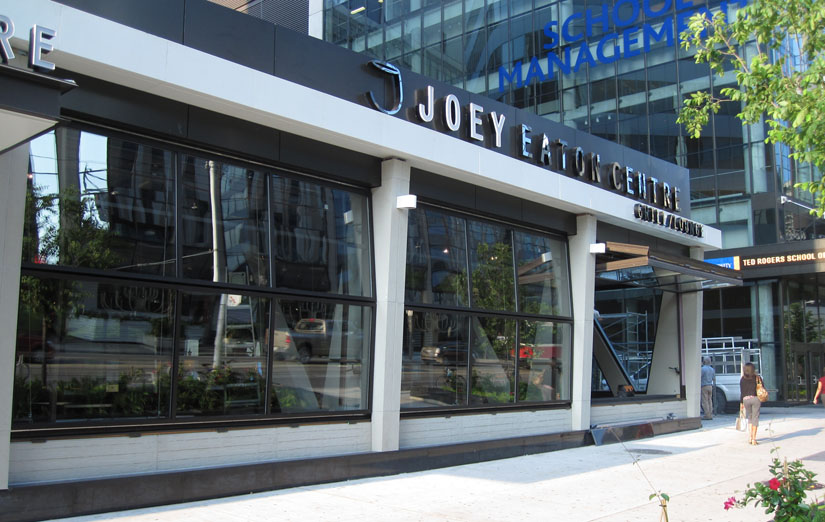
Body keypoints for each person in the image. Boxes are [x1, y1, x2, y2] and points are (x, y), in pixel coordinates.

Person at [740, 362, 762, 445]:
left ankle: (750, 437)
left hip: (746, 400)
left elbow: (742, 392)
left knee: (750, 417)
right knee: (755, 418)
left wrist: (741, 403)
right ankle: (753, 438)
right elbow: (762, 388)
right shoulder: (757, 378)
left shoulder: (742, 379)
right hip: (755, 399)